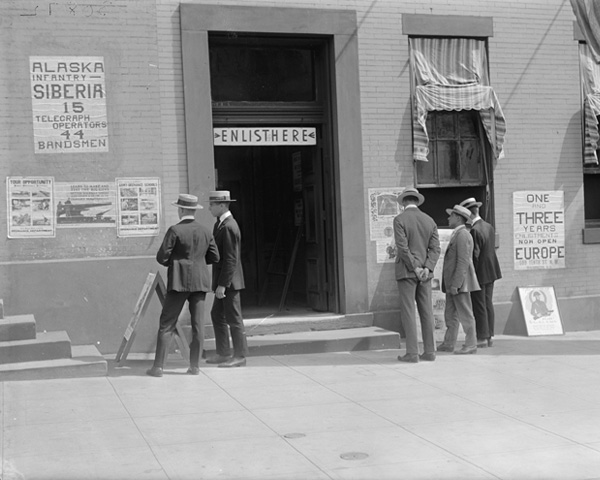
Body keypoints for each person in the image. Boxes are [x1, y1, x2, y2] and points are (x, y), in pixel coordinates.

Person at [147, 193, 220, 377]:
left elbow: (161, 257)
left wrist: (176, 262)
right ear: (194, 211)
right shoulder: (206, 231)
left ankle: (158, 367)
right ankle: (195, 366)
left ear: (180, 210)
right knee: (198, 326)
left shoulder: (175, 231)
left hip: (178, 282)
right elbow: (215, 257)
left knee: (167, 323)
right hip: (200, 283)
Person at [393, 187, 441, 363]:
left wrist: (415, 268)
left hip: (407, 272)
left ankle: (412, 352)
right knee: (426, 311)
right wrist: (426, 268)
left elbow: (403, 248)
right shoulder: (429, 220)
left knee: (408, 311)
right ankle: (430, 351)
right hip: (425, 274)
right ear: (416, 200)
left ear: (404, 201)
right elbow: (435, 249)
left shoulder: (400, 220)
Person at [206, 190, 248, 368]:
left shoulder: (229, 226)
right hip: (224, 282)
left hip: (229, 282)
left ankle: (240, 356)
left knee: (234, 318)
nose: (209, 208)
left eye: (212, 205)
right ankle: (223, 352)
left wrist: (223, 285)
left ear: (222, 205)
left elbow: (231, 259)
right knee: (217, 315)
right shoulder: (220, 224)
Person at [438, 205, 481, 355]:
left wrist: (456, 284)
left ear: (458, 218)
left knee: (465, 314)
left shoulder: (462, 235)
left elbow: (463, 261)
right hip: (452, 283)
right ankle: (449, 343)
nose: (448, 218)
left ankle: (471, 344)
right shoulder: (458, 234)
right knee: (450, 315)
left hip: (458, 283)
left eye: (451, 216)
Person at [460, 197, 502, 348]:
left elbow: (475, 256)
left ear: (469, 214)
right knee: (488, 303)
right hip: (492, 271)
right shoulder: (488, 226)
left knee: (479, 304)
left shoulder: (475, 230)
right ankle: (490, 335)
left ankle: (482, 337)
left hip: (480, 273)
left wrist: (470, 274)